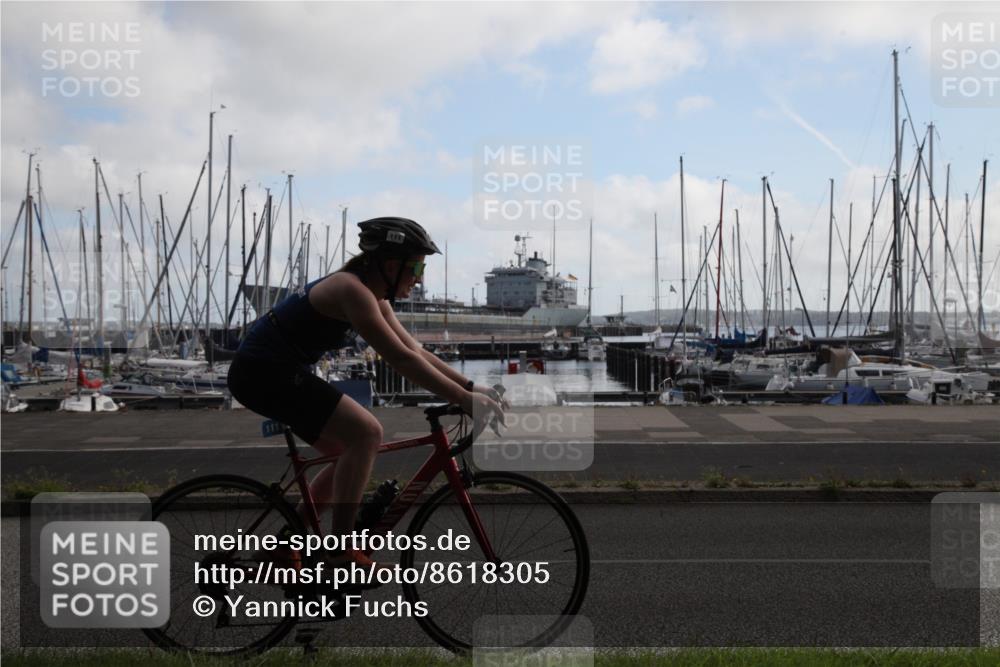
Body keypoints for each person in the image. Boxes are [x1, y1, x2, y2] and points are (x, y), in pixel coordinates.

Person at [227, 217, 505, 568]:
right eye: (417, 267)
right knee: (367, 432)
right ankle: (341, 551)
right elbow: (399, 359)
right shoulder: (351, 290)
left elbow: (415, 350)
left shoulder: (374, 296)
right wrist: (463, 401)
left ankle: (286, 543)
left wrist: (469, 387)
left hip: (279, 372)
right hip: (262, 373)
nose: (419, 278)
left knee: (347, 449)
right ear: (391, 265)